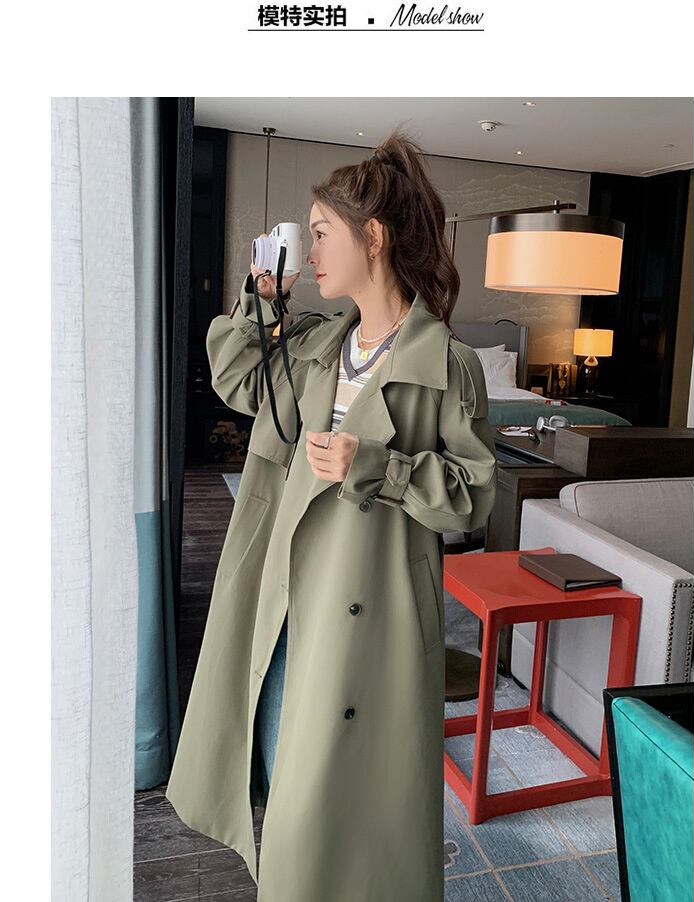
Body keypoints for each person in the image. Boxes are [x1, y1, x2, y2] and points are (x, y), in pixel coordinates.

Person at [165, 128, 498, 902]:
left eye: (322, 233)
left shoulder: (446, 364)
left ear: (372, 236)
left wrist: (374, 465)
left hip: (368, 615)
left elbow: (474, 494)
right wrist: (262, 295)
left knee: (343, 809)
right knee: (285, 785)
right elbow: (237, 378)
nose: (311, 251)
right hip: (285, 598)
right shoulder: (316, 345)